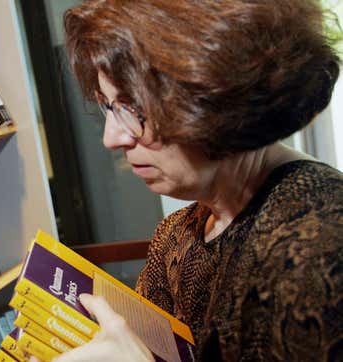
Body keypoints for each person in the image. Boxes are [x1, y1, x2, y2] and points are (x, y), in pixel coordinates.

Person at [33, 0, 342, 361]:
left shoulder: (323, 250)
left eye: (134, 108)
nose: (111, 138)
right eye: (108, 106)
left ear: (219, 99)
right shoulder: (176, 237)